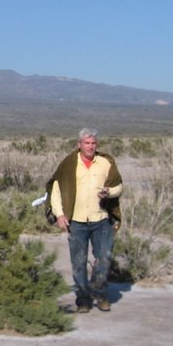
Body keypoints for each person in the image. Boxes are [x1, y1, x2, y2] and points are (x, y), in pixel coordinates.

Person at [47, 128, 123, 313]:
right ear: (79, 144)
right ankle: (83, 300)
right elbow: (56, 191)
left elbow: (118, 186)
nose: (90, 146)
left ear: (97, 145)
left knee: (104, 258)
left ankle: (100, 293)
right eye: (86, 143)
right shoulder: (68, 165)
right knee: (78, 263)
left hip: (101, 219)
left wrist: (110, 192)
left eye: (93, 143)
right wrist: (60, 214)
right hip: (77, 222)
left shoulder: (105, 163)